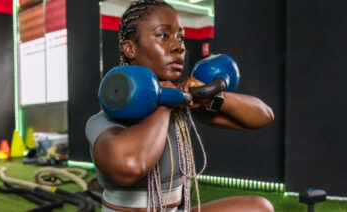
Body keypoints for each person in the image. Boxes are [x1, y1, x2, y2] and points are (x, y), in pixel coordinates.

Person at [85, 0, 275, 211]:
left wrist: (212, 96)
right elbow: (130, 166)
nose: (179, 46)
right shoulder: (103, 120)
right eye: (164, 35)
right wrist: (165, 101)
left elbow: (264, 116)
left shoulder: (181, 108)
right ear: (130, 48)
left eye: (181, 37)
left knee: (259, 207)